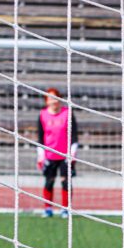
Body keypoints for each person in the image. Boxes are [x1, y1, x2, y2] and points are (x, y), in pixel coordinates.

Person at [37, 87, 79, 218]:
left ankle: (65, 209)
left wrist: (72, 153)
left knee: (66, 181)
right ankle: (48, 208)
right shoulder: (43, 115)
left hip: (65, 156)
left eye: (55, 98)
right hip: (49, 155)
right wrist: (41, 156)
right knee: (49, 181)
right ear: (46, 101)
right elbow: (40, 137)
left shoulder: (68, 113)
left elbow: (74, 135)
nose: (53, 101)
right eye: (50, 98)